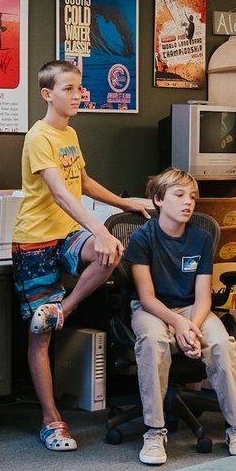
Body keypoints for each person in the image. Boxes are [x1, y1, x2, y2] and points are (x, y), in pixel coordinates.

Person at [12, 59, 147, 451]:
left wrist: (124, 202)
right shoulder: (39, 137)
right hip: (35, 241)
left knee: (110, 254)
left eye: (79, 88)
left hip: (65, 235)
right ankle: (51, 420)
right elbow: (59, 192)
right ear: (47, 94)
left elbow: (82, 182)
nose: (77, 95)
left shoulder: (69, 133)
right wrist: (100, 228)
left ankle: (65, 309)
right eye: (68, 89)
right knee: (40, 334)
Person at [124, 168, 236, 464]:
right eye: (179, 195)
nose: (188, 202)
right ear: (159, 199)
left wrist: (192, 328)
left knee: (221, 342)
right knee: (154, 340)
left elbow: (203, 297)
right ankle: (155, 432)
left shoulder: (201, 237)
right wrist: (179, 324)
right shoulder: (142, 238)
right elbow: (146, 297)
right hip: (153, 309)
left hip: (191, 309)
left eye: (192, 196)